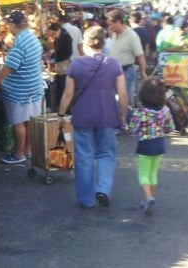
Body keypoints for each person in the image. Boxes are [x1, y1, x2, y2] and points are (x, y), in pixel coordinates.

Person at [57, 26, 128, 208]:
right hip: (107, 116)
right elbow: (123, 93)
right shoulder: (113, 64)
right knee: (106, 154)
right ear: (104, 43)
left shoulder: (75, 65)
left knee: (84, 158)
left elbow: (68, 94)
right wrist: (122, 115)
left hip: (82, 116)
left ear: (85, 42)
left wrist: (60, 115)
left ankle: (85, 199)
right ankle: (103, 189)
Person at [0, 10, 44, 164]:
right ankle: (28, 150)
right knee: (30, 120)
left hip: (20, 89)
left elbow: (10, 66)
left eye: (9, 25)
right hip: (34, 86)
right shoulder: (33, 38)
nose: (8, 28)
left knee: (18, 121)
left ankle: (18, 154)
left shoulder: (20, 42)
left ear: (13, 25)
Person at [125, 78, 175, 216]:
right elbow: (170, 128)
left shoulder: (142, 111)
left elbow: (132, 129)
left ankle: (148, 198)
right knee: (153, 173)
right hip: (159, 144)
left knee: (143, 174)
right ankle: (149, 201)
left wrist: (125, 126)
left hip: (145, 145)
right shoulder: (165, 110)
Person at [106, 9, 148, 106]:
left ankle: (125, 119)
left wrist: (143, 72)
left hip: (126, 72)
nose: (109, 27)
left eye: (111, 24)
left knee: (124, 100)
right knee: (114, 100)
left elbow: (140, 56)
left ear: (118, 22)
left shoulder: (132, 36)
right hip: (113, 72)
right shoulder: (114, 33)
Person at [47, 22, 73, 112]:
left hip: (64, 66)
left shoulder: (65, 37)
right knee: (60, 87)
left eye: (54, 33)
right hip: (60, 65)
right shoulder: (61, 37)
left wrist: (56, 56)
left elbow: (67, 52)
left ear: (59, 30)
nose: (54, 36)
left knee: (63, 87)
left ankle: (66, 109)